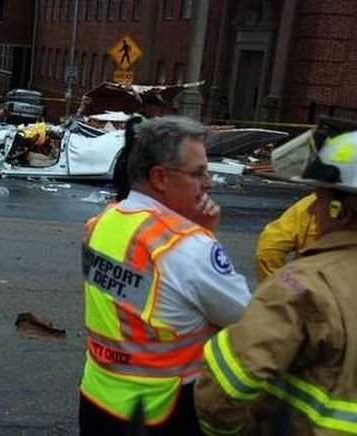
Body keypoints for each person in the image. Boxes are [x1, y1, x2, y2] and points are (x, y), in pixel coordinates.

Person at [79, 116, 251, 435]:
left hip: (98, 398)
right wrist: (203, 235)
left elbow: (136, 305)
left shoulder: (102, 222)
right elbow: (246, 317)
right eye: (197, 172)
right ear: (160, 177)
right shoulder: (188, 246)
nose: (209, 182)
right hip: (162, 409)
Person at [194, 127, 357, 435]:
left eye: (318, 197)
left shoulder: (303, 288)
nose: (311, 207)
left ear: (340, 209)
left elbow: (222, 392)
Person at [255, 192, 317, 282]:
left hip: (309, 287)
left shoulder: (311, 203)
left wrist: (292, 288)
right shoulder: (314, 203)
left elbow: (267, 250)